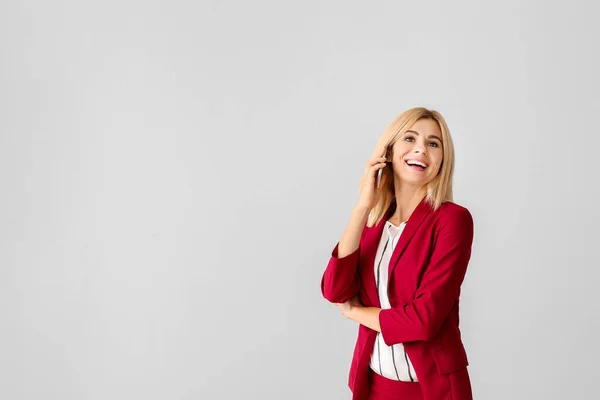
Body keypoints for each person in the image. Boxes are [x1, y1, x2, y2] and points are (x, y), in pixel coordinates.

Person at [320, 107, 474, 400]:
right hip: (374, 386)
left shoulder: (452, 220)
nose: (421, 149)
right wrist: (363, 206)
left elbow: (423, 321)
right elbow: (335, 289)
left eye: (433, 143)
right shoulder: (375, 222)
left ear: (443, 159)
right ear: (388, 151)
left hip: (431, 390)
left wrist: (355, 312)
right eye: (410, 138)